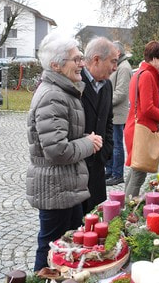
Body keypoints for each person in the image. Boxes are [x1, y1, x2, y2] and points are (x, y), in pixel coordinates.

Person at [26, 32, 102, 272]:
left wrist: (83, 140)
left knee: (66, 247)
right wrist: (89, 143)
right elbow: (57, 150)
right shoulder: (53, 96)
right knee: (52, 249)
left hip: (66, 185)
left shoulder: (63, 91)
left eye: (81, 57)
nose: (82, 63)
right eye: (76, 59)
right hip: (55, 187)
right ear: (56, 65)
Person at [124, 41, 159, 197]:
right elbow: (147, 108)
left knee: (136, 171)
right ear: (154, 59)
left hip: (136, 128)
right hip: (142, 129)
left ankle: (124, 204)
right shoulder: (147, 75)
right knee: (138, 175)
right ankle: (127, 209)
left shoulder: (140, 73)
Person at [80, 37, 119, 214]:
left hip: (97, 167)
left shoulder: (107, 85)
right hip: (77, 166)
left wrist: (106, 150)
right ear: (96, 59)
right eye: (113, 61)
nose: (115, 67)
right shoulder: (75, 82)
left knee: (95, 218)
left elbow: (108, 120)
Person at [105, 42, 132, 186]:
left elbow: (121, 93)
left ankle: (117, 174)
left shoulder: (124, 68)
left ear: (118, 52)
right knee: (110, 143)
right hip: (111, 113)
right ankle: (109, 170)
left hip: (117, 113)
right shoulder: (118, 66)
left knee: (116, 145)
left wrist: (104, 102)